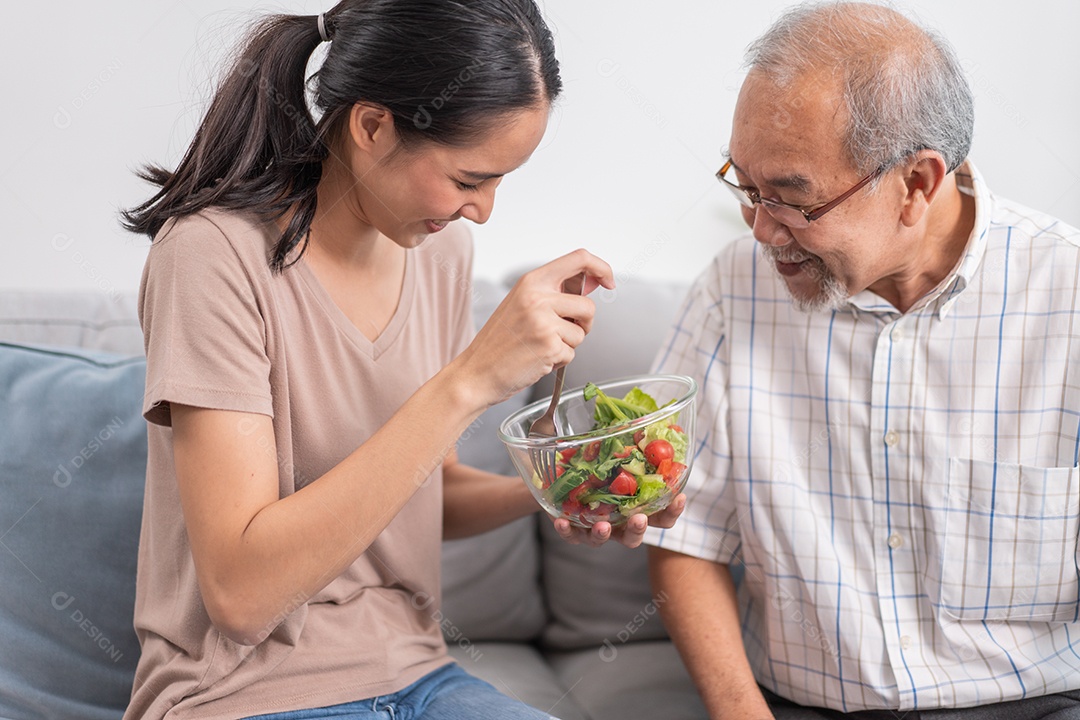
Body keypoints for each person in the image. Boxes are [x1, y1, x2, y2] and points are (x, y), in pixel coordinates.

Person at [119, 1, 679, 717]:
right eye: (470, 179)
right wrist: (471, 379)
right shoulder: (212, 257)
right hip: (242, 691)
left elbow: (422, 491)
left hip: (418, 676)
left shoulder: (440, 252)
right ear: (373, 126)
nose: (484, 211)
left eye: (502, 182)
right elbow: (240, 592)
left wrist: (565, 485)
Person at [645, 2, 1080, 719]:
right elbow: (685, 540)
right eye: (745, 187)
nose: (760, 229)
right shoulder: (734, 289)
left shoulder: (1066, 295)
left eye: (790, 200)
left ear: (917, 183)